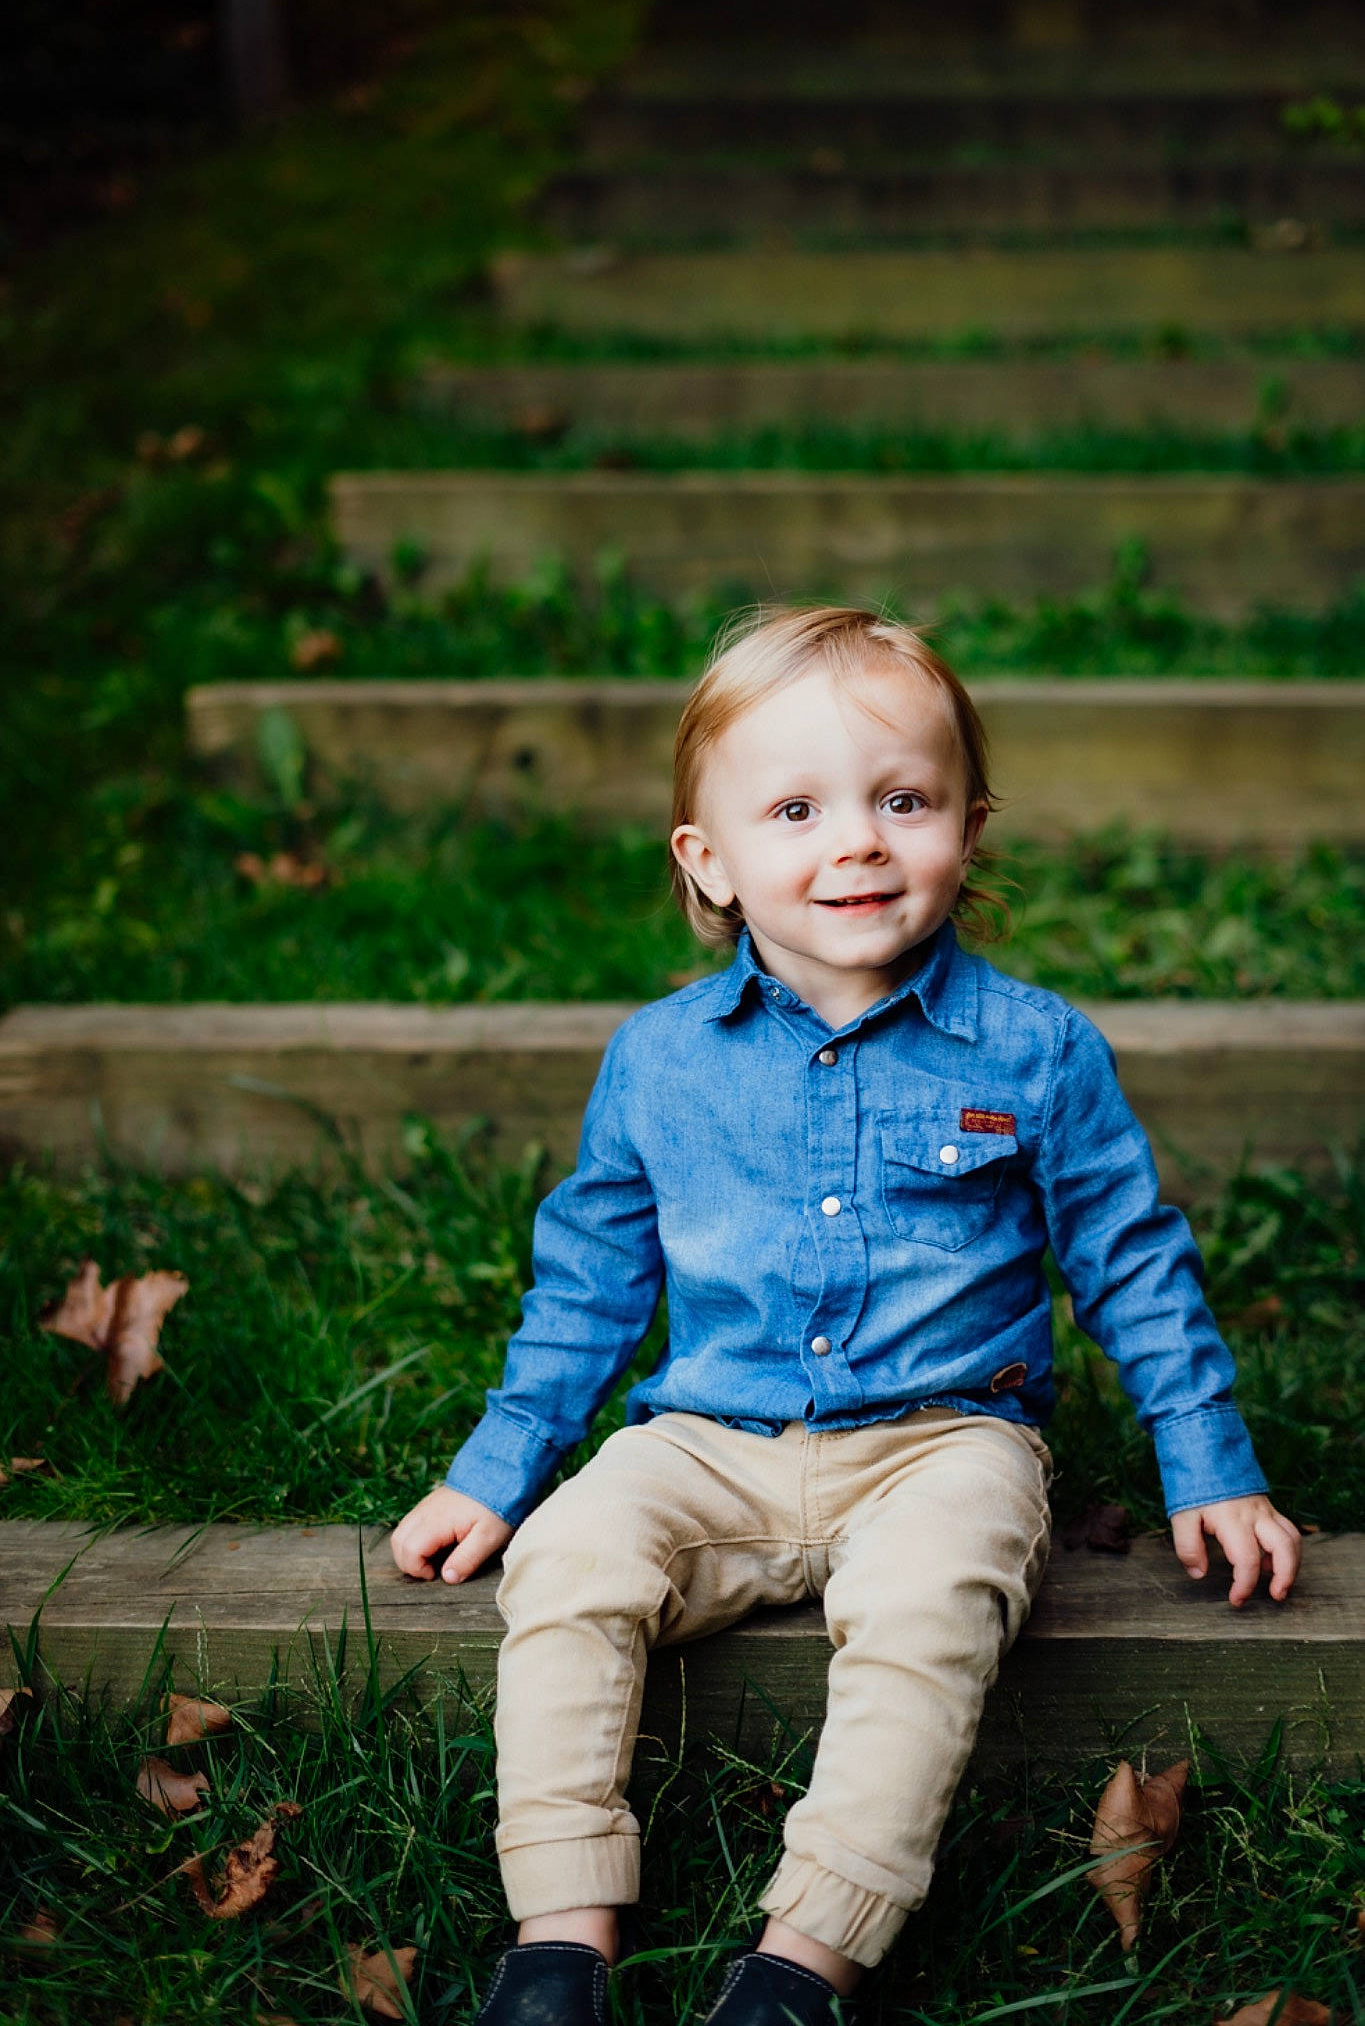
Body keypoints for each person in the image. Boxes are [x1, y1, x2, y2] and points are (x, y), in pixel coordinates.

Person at [390, 605, 1301, 2025]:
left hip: (946, 1439)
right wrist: (501, 1466)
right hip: (710, 1435)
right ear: (712, 862)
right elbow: (589, 1280)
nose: (858, 841)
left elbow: (1127, 1254)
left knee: (932, 1602)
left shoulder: (1034, 1048)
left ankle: (805, 1957)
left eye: (903, 799)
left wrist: (1208, 1455)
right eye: (797, 808)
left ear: (968, 825)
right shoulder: (659, 1061)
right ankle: (560, 1937)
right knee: (571, 1558)